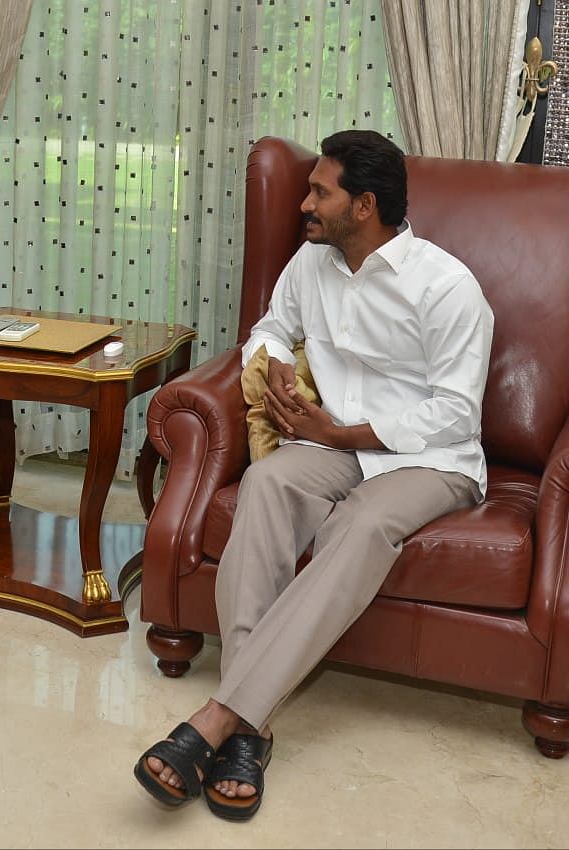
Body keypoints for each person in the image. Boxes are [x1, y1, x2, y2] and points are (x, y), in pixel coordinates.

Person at [133, 130, 494, 821]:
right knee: (265, 487)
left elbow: (453, 412)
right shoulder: (312, 262)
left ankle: (221, 718)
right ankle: (253, 728)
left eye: (319, 192)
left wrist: (339, 432)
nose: (304, 203)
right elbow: (270, 326)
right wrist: (278, 370)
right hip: (329, 444)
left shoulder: (447, 288)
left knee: (358, 525)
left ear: (364, 206)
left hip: (432, 459)